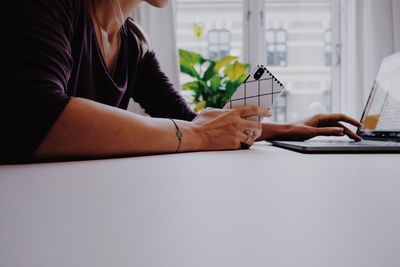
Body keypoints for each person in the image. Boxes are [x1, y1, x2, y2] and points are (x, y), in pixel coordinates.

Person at [0, 0, 362, 164]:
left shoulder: (133, 45)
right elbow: (35, 114)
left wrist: (289, 129)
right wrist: (198, 135)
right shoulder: (45, 8)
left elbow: (189, 122)